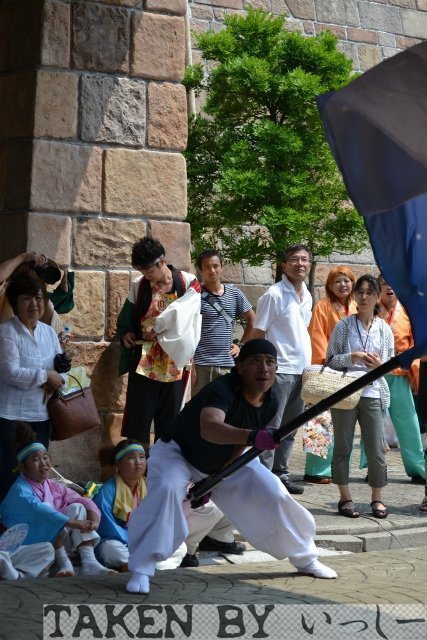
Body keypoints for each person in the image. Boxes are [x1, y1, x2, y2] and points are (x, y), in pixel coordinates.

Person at [125, 339, 338, 595]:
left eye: (270, 362)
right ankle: (142, 568)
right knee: (168, 489)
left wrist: (216, 478)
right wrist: (252, 436)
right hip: (177, 453)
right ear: (240, 367)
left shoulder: (270, 402)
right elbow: (209, 428)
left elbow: (239, 446)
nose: (264, 368)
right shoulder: (221, 389)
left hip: (223, 460)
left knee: (274, 492)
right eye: (255, 361)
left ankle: (305, 558)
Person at [94, 439, 244, 571]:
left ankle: (144, 567)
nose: (138, 462)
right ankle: (140, 565)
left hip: (148, 537)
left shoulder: (153, 484)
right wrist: (132, 539)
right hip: (121, 540)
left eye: (142, 457)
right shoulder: (107, 490)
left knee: (180, 547)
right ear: (118, 464)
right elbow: (106, 525)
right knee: (109, 549)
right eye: (131, 458)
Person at [117, 237, 201, 452]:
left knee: (170, 423)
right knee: (139, 419)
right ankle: (139, 464)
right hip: (144, 361)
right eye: (141, 270)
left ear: (162, 261)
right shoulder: (139, 286)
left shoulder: (188, 283)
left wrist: (160, 328)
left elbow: (187, 318)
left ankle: (163, 463)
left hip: (174, 362)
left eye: (148, 270)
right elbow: (126, 318)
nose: (146, 275)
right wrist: (127, 333)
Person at [326, 275, 394, 519]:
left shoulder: (384, 328)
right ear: (354, 296)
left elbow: (390, 364)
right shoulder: (343, 326)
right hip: (345, 392)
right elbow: (330, 360)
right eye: (360, 293)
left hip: (373, 392)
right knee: (343, 446)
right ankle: (345, 498)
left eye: (369, 293)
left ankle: (377, 498)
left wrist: (379, 365)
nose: (363, 297)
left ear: (377, 297)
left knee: (375, 448)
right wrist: (352, 357)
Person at [0, 442, 114, 577]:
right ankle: (63, 562)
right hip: (26, 544)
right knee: (47, 512)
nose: (43, 463)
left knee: (77, 507)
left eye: (45, 457)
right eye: (36, 460)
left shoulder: (52, 485)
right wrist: (70, 522)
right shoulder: (19, 490)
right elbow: (38, 509)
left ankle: (89, 561)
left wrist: (93, 520)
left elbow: (83, 499)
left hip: (54, 541)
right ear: (23, 468)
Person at [252, 244, 313, 494]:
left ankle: (280, 474)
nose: (300, 264)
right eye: (295, 259)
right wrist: (265, 368)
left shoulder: (307, 294)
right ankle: (263, 478)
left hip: (302, 370)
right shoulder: (274, 294)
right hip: (280, 371)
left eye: (305, 260)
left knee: (291, 427)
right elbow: (258, 332)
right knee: (271, 427)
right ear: (284, 265)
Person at [0, 273, 67, 501]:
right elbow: (10, 372)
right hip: (11, 417)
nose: (34, 304)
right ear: (15, 302)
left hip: (41, 415)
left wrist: (58, 380)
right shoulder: (6, 332)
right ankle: (7, 517)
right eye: (27, 298)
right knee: (10, 470)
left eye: (39, 298)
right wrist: (45, 376)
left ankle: (36, 514)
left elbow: (62, 368)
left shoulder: (49, 332)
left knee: (38, 471)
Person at [304, 266, 357, 483]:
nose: (342, 285)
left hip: (352, 370)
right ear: (330, 286)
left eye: (346, 281)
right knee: (320, 418)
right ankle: (316, 470)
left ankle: (340, 468)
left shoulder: (357, 306)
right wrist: (325, 363)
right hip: (327, 368)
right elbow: (317, 337)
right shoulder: (322, 306)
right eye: (337, 281)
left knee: (345, 421)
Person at [376, 274, 425, 483]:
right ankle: (375, 468)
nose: (389, 288)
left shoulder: (407, 312)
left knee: (408, 422)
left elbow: (415, 343)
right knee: (372, 422)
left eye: (393, 283)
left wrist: (413, 372)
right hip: (374, 373)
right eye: (384, 283)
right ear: (378, 287)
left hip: (400, 373)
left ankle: (418, 468)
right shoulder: (371, 310)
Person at [192, 249, 255, 394]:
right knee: (199, 405)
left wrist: (241, 345)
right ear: (201, 270)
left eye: (215, 266)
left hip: (227, 364)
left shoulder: (235, 293)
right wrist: (191, 365)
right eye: (207, 267)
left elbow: (252, 319)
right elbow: (187, 330)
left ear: (221, 267)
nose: (212, 271)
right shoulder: (195, 295)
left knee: (225, 405)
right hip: (201, 364)